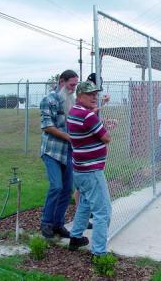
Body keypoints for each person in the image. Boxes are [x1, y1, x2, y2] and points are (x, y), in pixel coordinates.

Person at [67, 80, 112, 256]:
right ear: (79, 96)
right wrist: (104, 129)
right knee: (103, 212)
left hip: (79, 169)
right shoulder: (88, 116)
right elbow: (106, 138)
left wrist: (99, 129)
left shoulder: (74, 112)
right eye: (89, 94)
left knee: (85, 204)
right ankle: (99, 252)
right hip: (91, 171)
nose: (94, 97)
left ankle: (75, 238)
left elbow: (91, 131)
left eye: (95, 94)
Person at [39, 69, 79, 238]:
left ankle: (58, 224)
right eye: (71, 85)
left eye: (76, 86)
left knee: (67, 189)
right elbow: (48, 126)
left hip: (68, 152)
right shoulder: (48, 100)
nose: (73, 89)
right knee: (56, 186)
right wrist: (69, 138)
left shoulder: (72, 101)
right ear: (61, 81)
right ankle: (46, 222)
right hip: (52, 151)